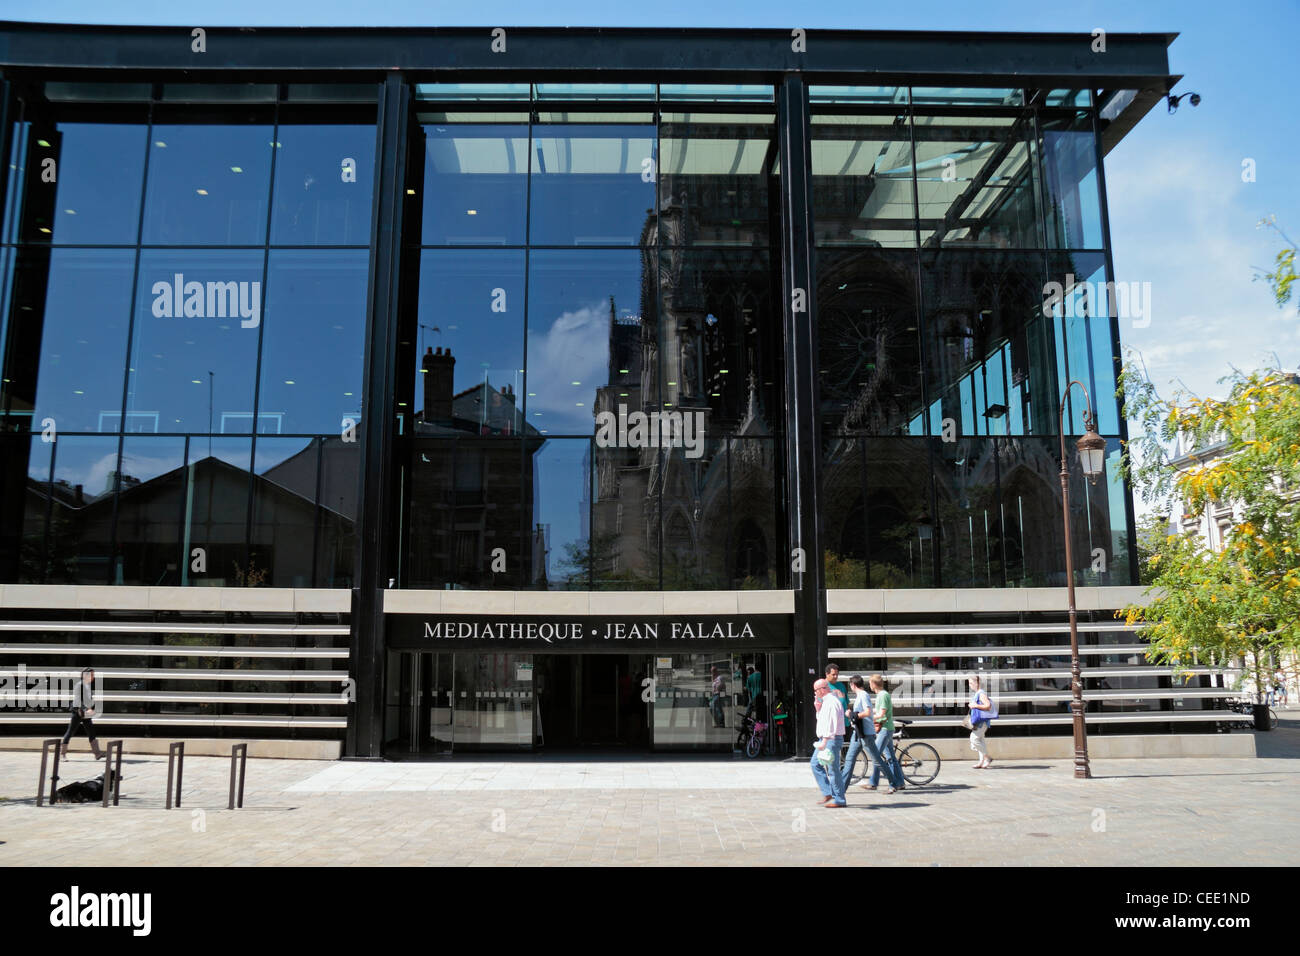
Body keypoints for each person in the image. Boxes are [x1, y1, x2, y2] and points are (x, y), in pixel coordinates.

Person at [840, 675, 890, 794]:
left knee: (877, 760)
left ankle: (894, 782)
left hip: (866, 734)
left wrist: (851, 714)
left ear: (853, 685)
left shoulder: (863, 695)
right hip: (858, 733)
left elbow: (867, 712)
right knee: (849, 759)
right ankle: (841, 788)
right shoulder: (860, 696)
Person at [810, 678, 846, 808]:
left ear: (822, 690)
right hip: (827, 739)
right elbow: (823, 720)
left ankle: (839, 799)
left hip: (830, 739)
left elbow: (831, 724)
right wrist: (817, 709)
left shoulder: (831, 702)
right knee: (816, 764)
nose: (815, 693)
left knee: (833, 769)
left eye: (816, 691)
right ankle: (828, 793)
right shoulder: (826, 702)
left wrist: (825, 740)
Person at [866, 674, 904, 792]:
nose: (869, 685)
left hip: (885, 729)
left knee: (875, 755)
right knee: (890, 757)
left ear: (873, 684)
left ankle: (891, 784)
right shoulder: (883, 694)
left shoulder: (882, 695)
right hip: (887, 728)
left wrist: (867, 719)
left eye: (870, 683)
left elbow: (882, 714)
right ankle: (900, 782)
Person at [61, 667, 104, 760]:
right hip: (78, 712)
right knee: (70, 732)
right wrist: (86, 709)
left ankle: (97, 754)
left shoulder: (88, 685)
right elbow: (78, 700)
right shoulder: (79, 685)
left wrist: (91, 709)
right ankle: (62, 754)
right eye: (92, 675)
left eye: (93, 675)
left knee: (91, 732)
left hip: (86, 713)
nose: (93, 677)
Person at [969, 675, 994, 768]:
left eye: (971, 683)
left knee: (974, 739)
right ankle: (982, 762)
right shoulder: (978, 693)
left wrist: (975, 706)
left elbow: (988, 706)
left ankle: (987, 758)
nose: (970, 685)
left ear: (977, 683)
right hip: (980, 722)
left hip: (981, 722)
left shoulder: (981, 693)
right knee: (980, 740)